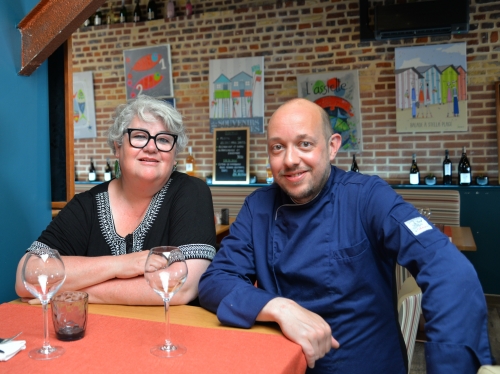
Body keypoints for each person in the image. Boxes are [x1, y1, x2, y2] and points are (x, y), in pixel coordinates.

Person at [198, 98, 493, 373]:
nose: (290, 160)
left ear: (332, 146)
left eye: (304, 144)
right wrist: (279, 307)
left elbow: (450, 271)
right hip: (286, 364)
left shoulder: (368, 197)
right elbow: (215, 281)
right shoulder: (258, 207)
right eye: (278, 147)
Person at [15, 95, 216, 306]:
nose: (151, 147)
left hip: (170, 334)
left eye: (164, 139)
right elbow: (25, 277)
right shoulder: (86, 205)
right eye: (139, 136)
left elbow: (182, 288)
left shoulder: (191, 191)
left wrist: (77, 291)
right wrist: (121, 265)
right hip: (97, 333)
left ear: (174, 156)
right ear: (117, 147)